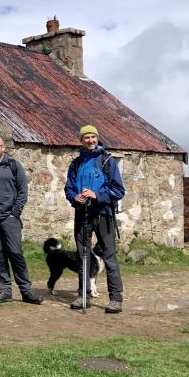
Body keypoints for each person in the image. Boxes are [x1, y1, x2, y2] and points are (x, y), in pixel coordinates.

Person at [0, 136, 43, 305]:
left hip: (9, 220)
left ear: (3, 148)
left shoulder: (13, 166)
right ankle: (5, 290)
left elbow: (22, 192)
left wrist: (14, 214)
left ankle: (26, 291)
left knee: (16, 254)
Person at [64, 125, 125, 313]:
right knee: (82, 255)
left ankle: (115, 299)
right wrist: (74, 197)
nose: (90, 140)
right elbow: (68, 188)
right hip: (82, 213)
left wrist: (96, 195)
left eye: (93, 137)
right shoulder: (76, 164)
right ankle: (84, 295)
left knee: (109, 256)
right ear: (81, 140)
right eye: (86, 137)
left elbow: (118, 190)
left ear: (97, 138)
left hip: (103, 214)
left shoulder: (107, 161)